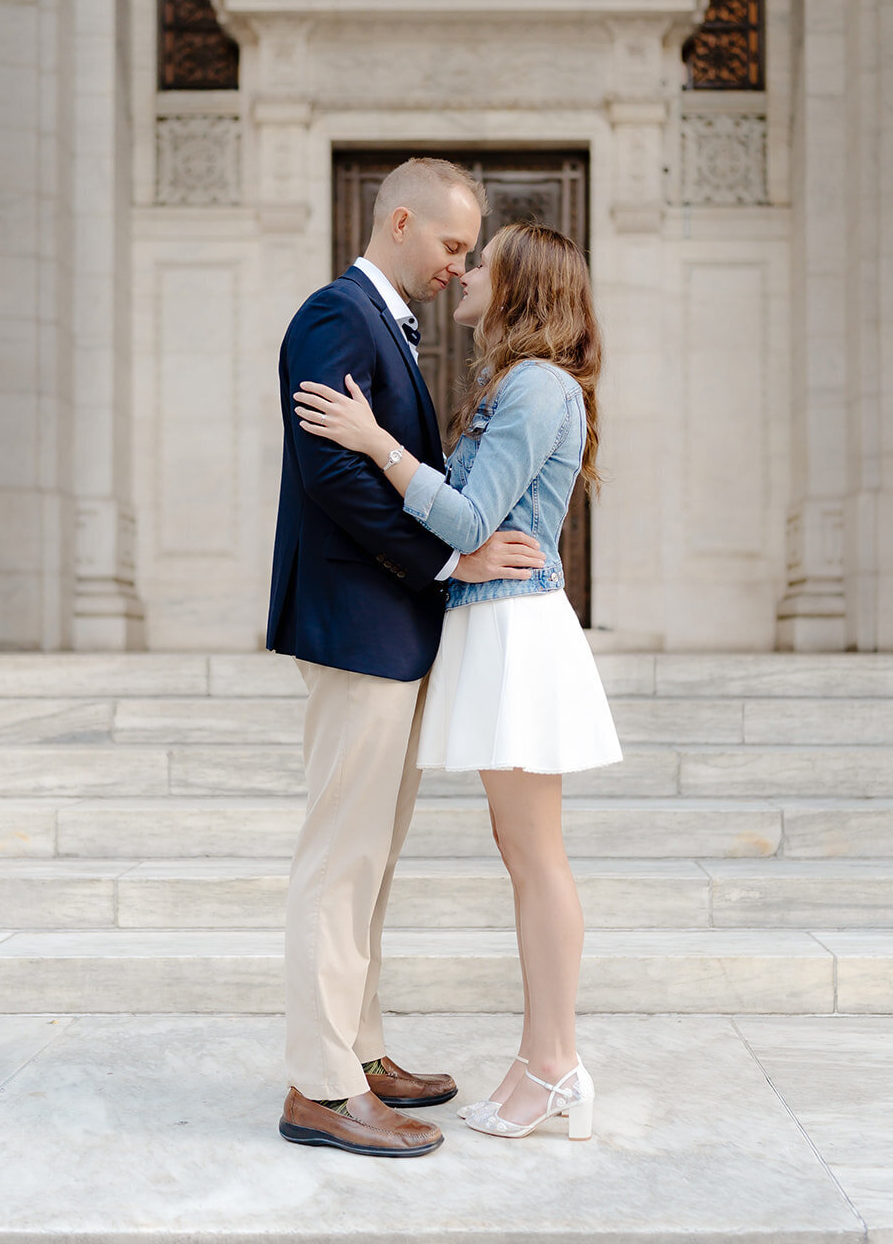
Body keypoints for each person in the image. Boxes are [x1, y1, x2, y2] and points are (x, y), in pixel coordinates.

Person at [294, 221, 623, 1143]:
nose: (466, 272)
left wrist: (373, 442)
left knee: (535, 858)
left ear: (520, 286)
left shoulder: (533, 386)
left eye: (484, 261)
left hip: (516, 630)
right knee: (526, 856)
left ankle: (552, 1066)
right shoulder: (519, 384)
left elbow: (471, 517)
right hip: (499, 629)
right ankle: (543, 1062)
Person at [268, 157, 546, 1159]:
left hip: (388, 627)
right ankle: (320, 1086)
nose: (457, 266)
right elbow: (332, 472)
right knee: (338, 860)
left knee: (367, 859)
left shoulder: (381, 321)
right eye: (450, 246)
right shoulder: (336, 316)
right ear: (398, 223)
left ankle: (360, 1049)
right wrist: (449, 553)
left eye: (467, 253)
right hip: (356, 626)